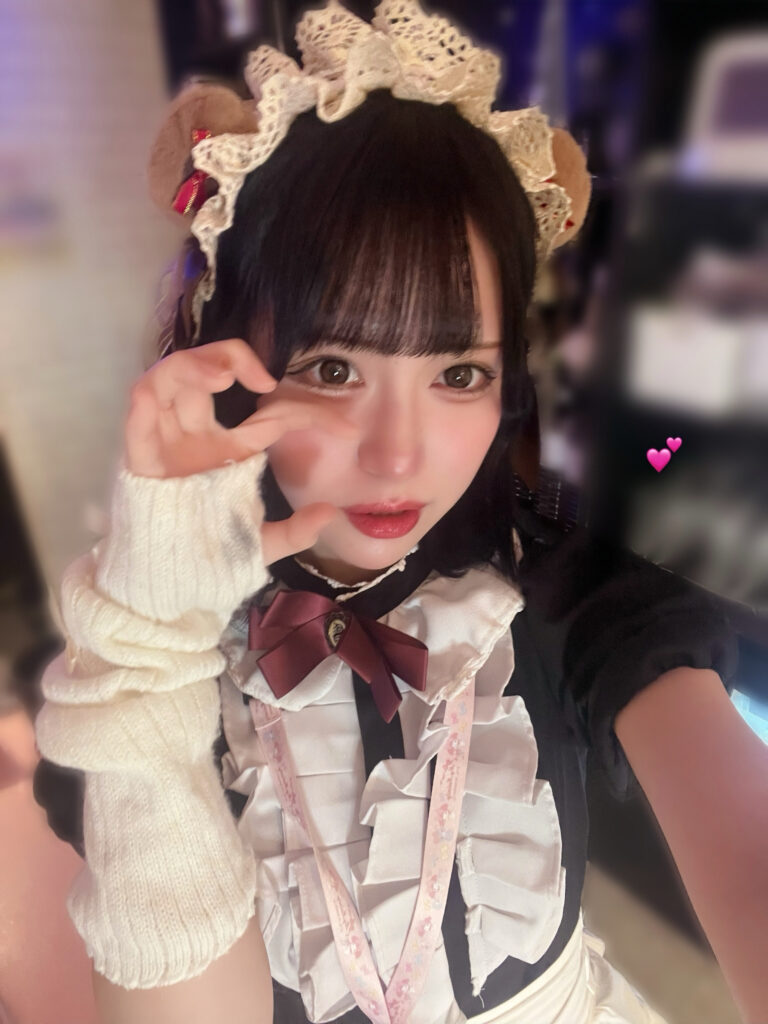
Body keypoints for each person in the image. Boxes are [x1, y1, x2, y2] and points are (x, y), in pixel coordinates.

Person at [32, 3, 767, 1023]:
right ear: (224, 358)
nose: (397, 455)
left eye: (459, 373)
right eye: (334, 367)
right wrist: (155, 645)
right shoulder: (143, 665)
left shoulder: (566, 595)